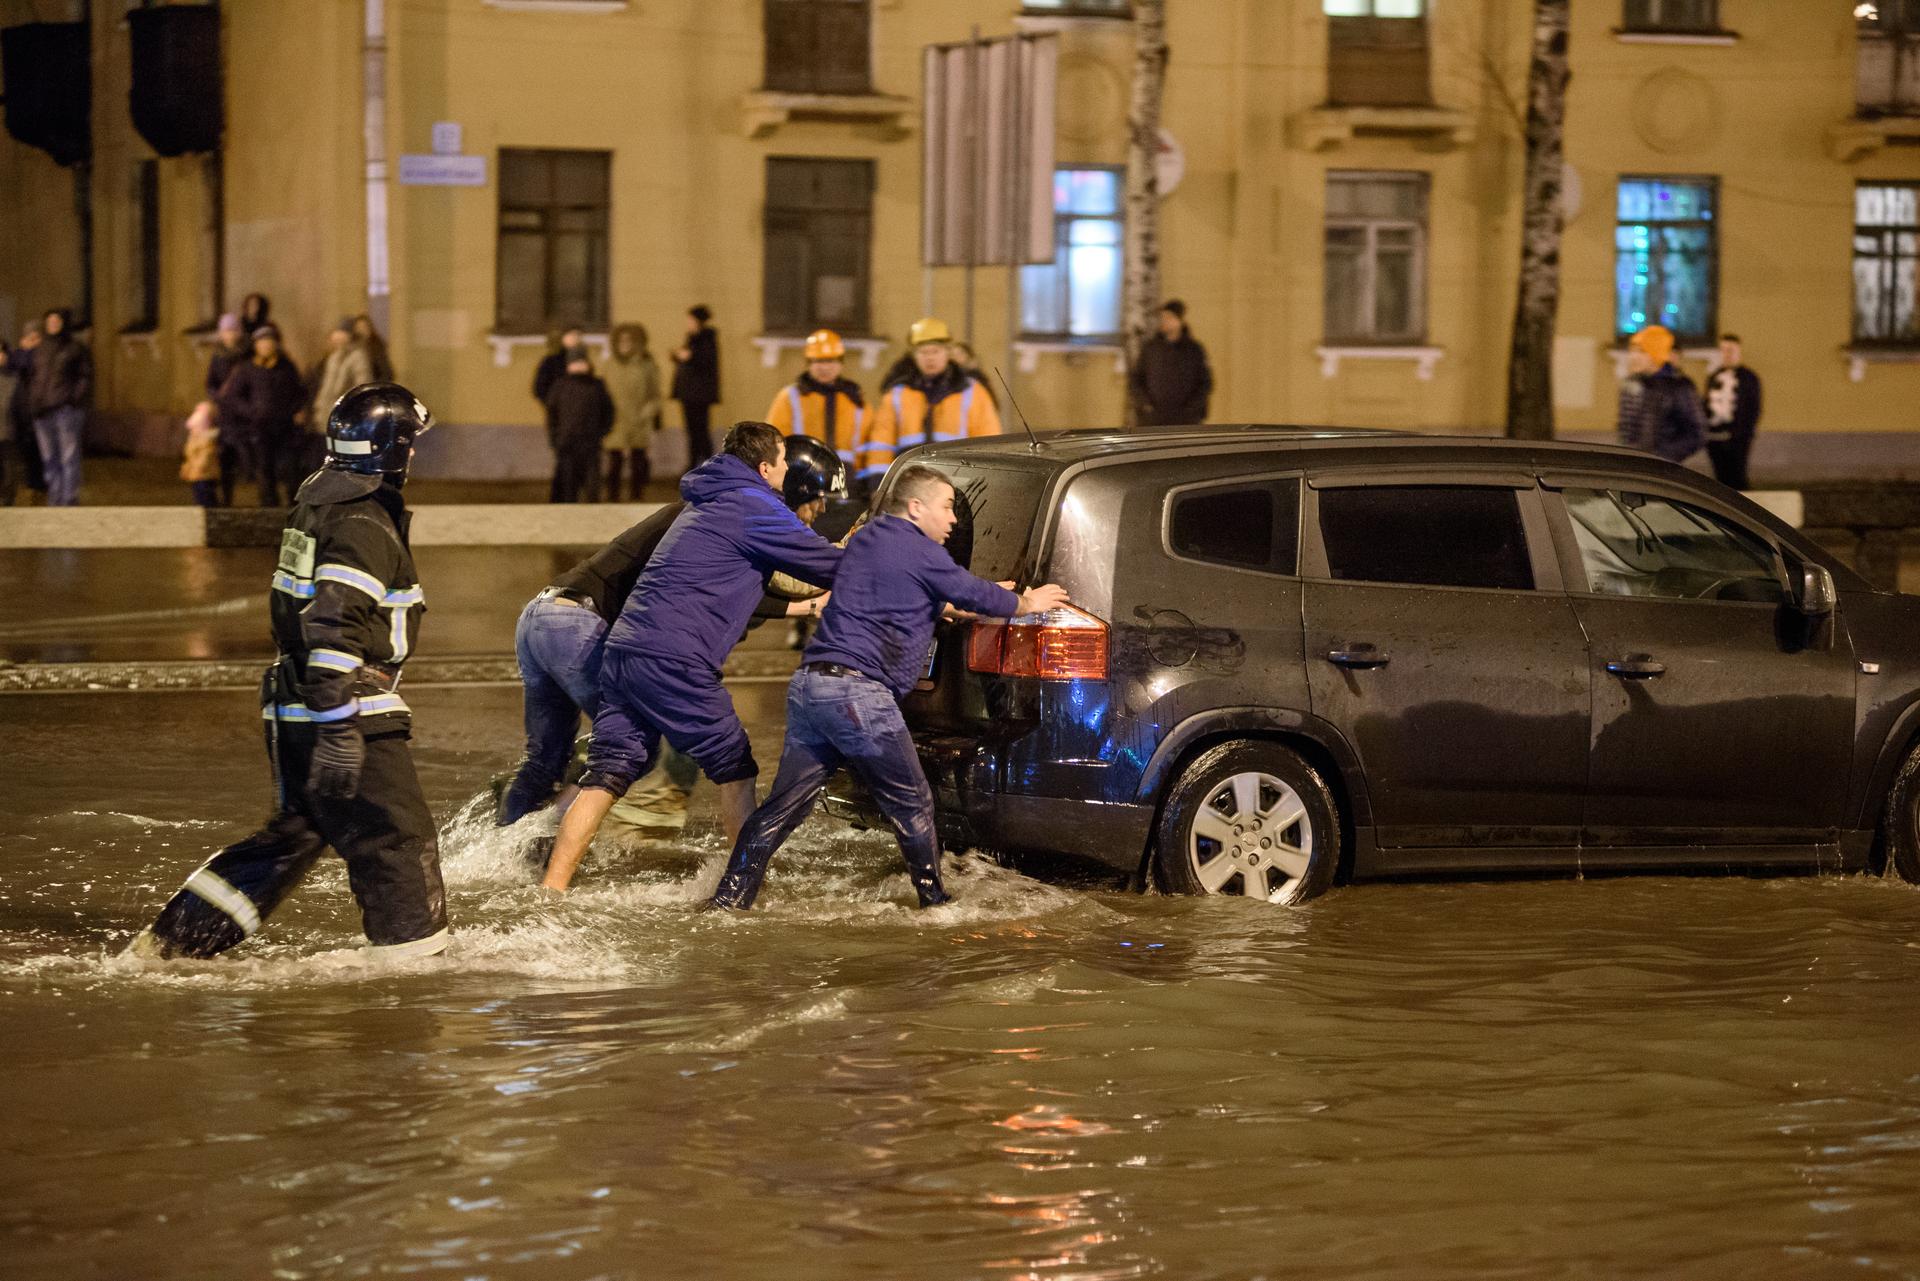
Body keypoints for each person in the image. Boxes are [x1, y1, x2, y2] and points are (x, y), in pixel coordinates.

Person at [126, 384, 449, 961]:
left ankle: (172, 948)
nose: (417, 455)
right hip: (347, 704)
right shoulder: (364, 524)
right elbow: (333, 622)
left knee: (293, 837)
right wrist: (339, 728)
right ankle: (414, 976)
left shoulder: (318, 502)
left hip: (292, 701)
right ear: (393, 450)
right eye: (412, 444)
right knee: (397, 838)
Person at [707, 465, 1069, 910]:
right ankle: (936, 906)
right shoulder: (921, 550)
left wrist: (953, 604)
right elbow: (976, 595)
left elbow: (910, 591)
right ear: (916, 508)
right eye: (946, 507)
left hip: (810, 686)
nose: (953, 520)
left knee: (785, 808)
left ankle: (729, 899)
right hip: (859, 696)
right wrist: (1028, 602)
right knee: (913, 801)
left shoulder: (869, 538)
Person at [539, 422, 843, 892]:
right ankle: (743, 889)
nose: (786, 470)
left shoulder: (708, 500)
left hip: (623, 651)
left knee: (608, 772)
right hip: (675, 661)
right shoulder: (755, 506)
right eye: (783, 461)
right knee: (735, 766)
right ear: (765, 468)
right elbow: (830, 565)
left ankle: (552, 888)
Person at [857, 317, 1002, 494]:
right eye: (923, 352)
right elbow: (881, 443)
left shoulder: (973, 392)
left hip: (959, 486)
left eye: (935, 351)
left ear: (948, 352)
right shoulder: (897, 394)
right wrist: (878, 485)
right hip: (908, 487)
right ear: (914, 355)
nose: (929, 358)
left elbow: (988, 443)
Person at [218, 324, 307, 505]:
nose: (266, 345)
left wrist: (296, 410)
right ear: (255, 345)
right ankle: (269, 506)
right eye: (262, 341)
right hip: (259, 428)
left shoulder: (286, 367)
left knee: (290, 469)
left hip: (285, 426)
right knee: (264, 469)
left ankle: (294, 506)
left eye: (270, 341)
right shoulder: (247, 369)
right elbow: (231, 397)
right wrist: (252, 411)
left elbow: (300, 392)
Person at [766, 329, 865, 475]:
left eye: (830, 360)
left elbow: (871, 447)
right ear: (808, 363)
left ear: (840, 363)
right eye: (818, 361)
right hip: (799, 473)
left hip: (848, 478)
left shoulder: (855, 400)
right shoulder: (789, 397)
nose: (824, 367)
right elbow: (773, 441)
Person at [22, 308, 92, 507]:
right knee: (49, 458)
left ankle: (68, 499)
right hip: (41, 412)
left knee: (68, 457)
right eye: (49, 321)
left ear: (64, 324)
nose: (52, 324)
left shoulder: (75, 348)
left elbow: (85, 376)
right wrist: (32, 401)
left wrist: (72, 399)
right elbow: (30, 376)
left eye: (56, 321)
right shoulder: (39, 349)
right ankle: (54, 498)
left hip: (65, 411)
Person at [1617, 324, 1707, 465]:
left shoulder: (1678, 386)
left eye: (1641, 351)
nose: (1633, 356)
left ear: (1655, 354)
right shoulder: (1631, 384)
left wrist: (1663, 457)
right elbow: (1626, 431)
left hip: (1662, 474)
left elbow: (1696, 433)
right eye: (1632, 350)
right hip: (1632, 469)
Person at [602, 323, 662, 502]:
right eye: (622, 341)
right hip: (615, 421)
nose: (625, 345)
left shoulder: (646, 365)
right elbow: (601, 392)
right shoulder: (609, 365)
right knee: (614, 463)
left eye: (629, 341)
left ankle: (637, 497)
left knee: (638, 462)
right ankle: (612, 499)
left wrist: (646, 412)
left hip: (639, 421)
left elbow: (655, 395)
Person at [545, 346, 614, 502]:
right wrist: (555, 438)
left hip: (590, 444)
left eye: (582, 362)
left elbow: (608, 411)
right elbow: (552, 415)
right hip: (567, 444)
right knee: (568, 486)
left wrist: (601, 432)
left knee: (592, 486)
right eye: (575, 362)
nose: (579, 366)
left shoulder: (597, 385)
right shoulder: (560, 386)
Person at [1130, 299, 1213, 426]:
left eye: (1169, 317)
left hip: (1186, 421)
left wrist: (1192, 409)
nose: (1164, 321)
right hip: (1153, 420)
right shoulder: (1150, 348)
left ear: (1179, 320)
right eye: (1162, 317)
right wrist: (1145, 404)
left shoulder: (1194, 350)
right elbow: (1136, 379)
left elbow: (1205, 383)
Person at [308, 318, 373, 472]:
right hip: (327, 414)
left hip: (344, 416)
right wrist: (319, 409)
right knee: (326, 458)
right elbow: (326, 388)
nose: (336, 336)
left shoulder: (358, 356)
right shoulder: (334, 356)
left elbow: (362, 386)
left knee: (343, 459)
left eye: (340, 332)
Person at [1704, 333, 1763, 491]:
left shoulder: (1749, 378)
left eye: (1731, 350)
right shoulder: (1714, 376)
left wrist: (1741, 434)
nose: (1726, 354)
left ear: (1738, 351)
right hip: (1715, 437)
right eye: (1723, 350)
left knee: (1737, 476)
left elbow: (1753, 409)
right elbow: (1707, 403)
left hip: (1738, 438)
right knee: (1720, 478)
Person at [532, 324, 583, 501]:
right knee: (563, 457)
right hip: (560, 418)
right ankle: (560, 497)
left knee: (575, 459)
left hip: (579, 417)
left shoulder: (580, 359)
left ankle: (569, 496)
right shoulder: (552, 362)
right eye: (572, 336)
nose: (577, 339)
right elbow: (539, 389)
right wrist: (555, 403)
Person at [204, 313, 248, 506]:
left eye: (232, 330)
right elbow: (210, 382)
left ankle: (253, 490)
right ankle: (226, 495)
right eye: (225, 331)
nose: (229, 335)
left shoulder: (247, 354)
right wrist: (216, 397)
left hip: (243, 412)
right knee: (224, 454)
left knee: (244, 451)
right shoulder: (218, 355)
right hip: (224, 412)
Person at [2, 322, 46, 505]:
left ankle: (34, 495)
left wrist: (28, 350)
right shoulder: (17, 361)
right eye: (30, 338)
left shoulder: (14, 375)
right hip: (20, 420)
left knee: (24, 464)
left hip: (22, 422)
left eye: (36, 338)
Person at [671, 305, 720, 468]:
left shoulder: (706, 339)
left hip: (699, 395)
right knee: (693, 432)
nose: (688, 323)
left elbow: (704, 362)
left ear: (698, 321)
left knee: (700, 432)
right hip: (690, 394)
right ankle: (695, 466)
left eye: (690, 320)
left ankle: (707, 467)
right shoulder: (693, 338)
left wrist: (688, 357)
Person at [180, 399, 221, 507]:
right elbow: (190, 456)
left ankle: (210, 508)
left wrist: (199, 466)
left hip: (205, 474)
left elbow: (206, 456)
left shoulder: (206, 440)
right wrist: (187, 468)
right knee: (198, 493)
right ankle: (203, 507)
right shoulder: (194, 439)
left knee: (205, 493)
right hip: (196, 473)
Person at [353, 313, 395, 383]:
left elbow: (385, 371)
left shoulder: (376, 346)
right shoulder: (354, 346)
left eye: (363, 327)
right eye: (358, 327)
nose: (361, 330)